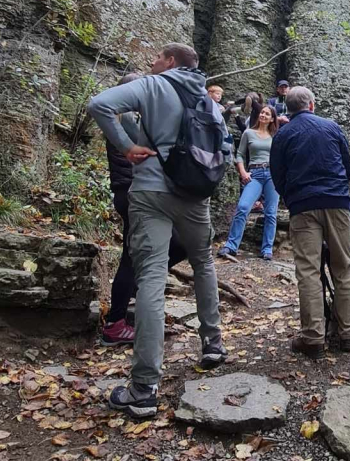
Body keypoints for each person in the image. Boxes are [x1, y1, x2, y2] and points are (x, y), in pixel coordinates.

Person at [87, 43, 227, 418]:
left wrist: (126, 146)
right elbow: (224, 146)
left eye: (156, 58)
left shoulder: (153, 85)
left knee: (150, 276)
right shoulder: (209, 100)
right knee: (203, 263)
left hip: (151, 191)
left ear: (170, 62)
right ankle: (213, 344)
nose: (151, 63)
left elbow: (99, 105)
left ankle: (144, 388)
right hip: (196, 194)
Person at [101, 73, 191, 346]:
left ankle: (135, 291)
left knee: (175, 245)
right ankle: (115, 325)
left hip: (130, 193)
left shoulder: (123, 118)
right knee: (132, 258)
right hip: (134, 193)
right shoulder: (127, 119)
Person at [269, 86, 350, 359]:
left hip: (302, 205)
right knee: (343, 266)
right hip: (336, 202)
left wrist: (291, 197)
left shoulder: (283, 134)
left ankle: (313, 338)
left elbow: (277, 174)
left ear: (289, 108)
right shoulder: (332, 127)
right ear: (311, 104)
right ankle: (349, 334)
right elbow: (349, 168)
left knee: (308, 271)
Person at [218, 105, 280, 260]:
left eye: (267, 114)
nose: (263, 115)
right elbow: (239, 154)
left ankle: (267, 249)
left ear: (272, 119)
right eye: (262, 112)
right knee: (243, 207)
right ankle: (231, 246)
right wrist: (243, 172)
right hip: (255, 174)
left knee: (271, 213)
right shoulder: (248, 132)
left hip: (272, 175)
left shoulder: (276, 136)